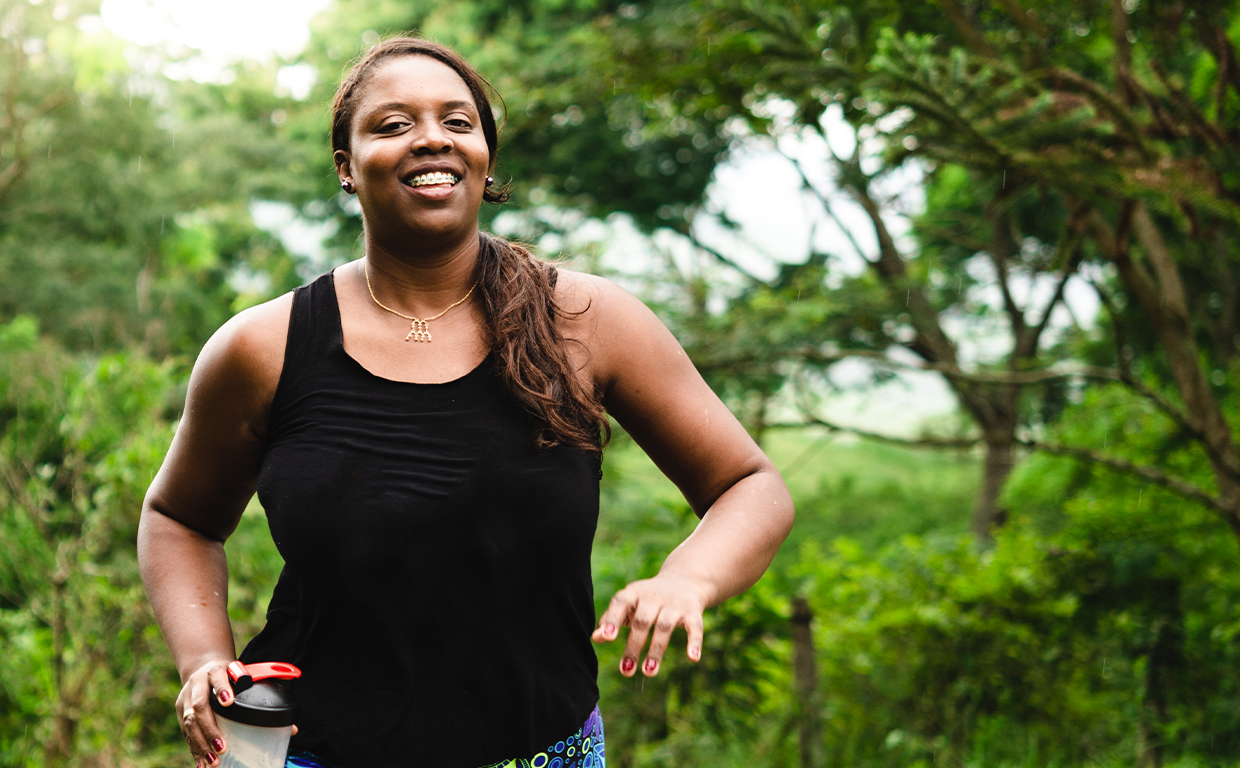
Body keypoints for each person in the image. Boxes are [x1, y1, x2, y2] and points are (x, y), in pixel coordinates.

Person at [138, 36, 795, 768]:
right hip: (306, 755)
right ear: (346, 168)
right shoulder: (262, 348)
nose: (431, 139)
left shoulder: (587, 322)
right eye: (392, 125)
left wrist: (687, 580)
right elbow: (179, 518)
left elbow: (750, 486)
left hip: (546, 754)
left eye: (458, 121)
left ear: (484, 158)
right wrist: (203, 659)